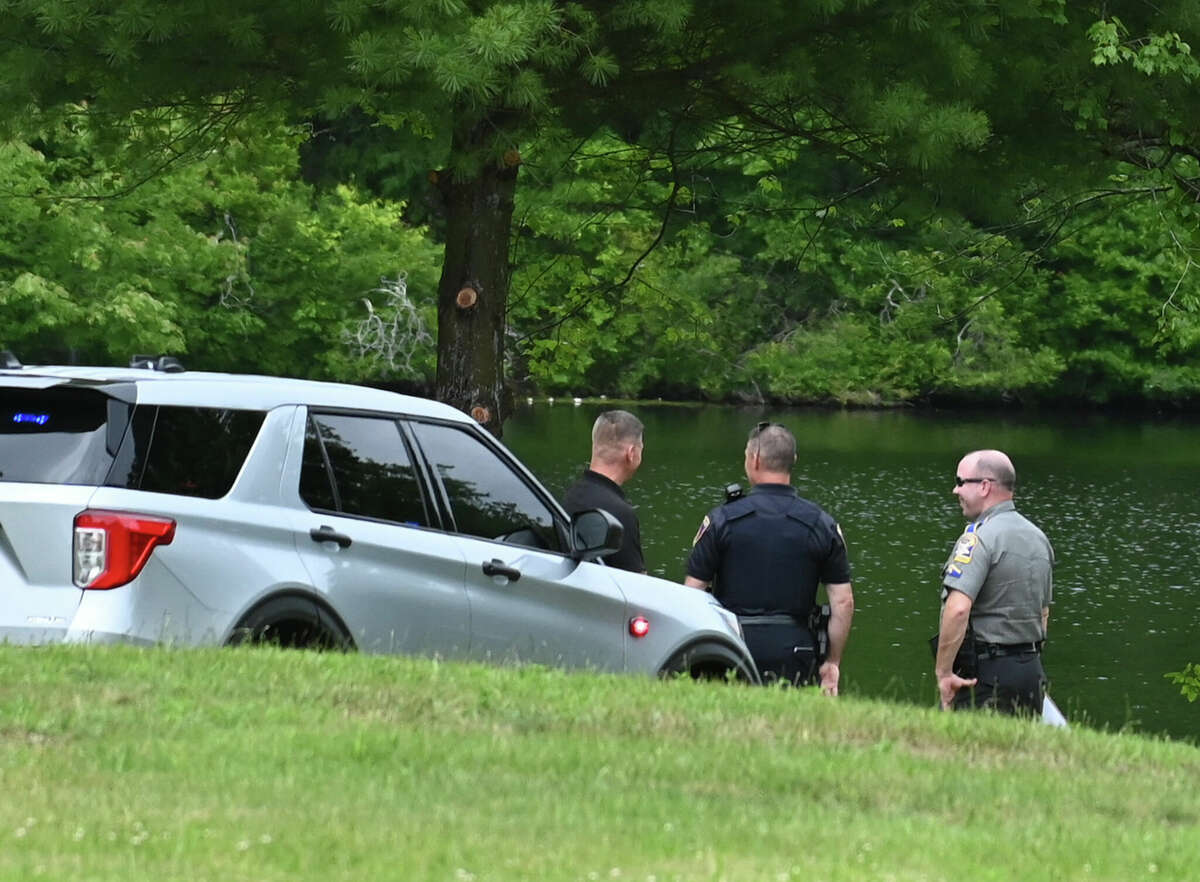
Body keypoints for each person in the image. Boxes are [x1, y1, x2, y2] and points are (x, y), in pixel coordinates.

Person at [684, 422, 854, 695]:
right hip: (796, 652)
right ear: (793, 461)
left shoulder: (722, 520)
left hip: (729, 646)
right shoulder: (821, 524)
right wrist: (831, 662)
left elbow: (692, 594)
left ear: (755, 459)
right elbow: (843, 602)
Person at [935, 449, 1054, 715]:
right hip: (1030, 672)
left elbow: (958, 609)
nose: (955, 490)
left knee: (965, 753)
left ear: (985, 486)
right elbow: (1043, 613)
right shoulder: (1039, 538)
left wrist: (943, 672)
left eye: (960, 482)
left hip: (985, 676)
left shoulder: (978, 538)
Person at [562, 410, 647, 573]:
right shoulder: (620, 513)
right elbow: (637, 584)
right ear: (631, 454)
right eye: (641, 448)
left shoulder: (570, 495)